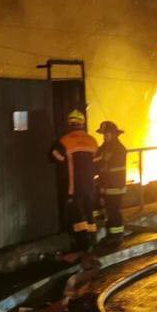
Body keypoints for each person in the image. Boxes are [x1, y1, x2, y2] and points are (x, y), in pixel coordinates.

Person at [50, 109, 99, 260]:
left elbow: (54, 156)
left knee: (78, 217)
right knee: (89, 214)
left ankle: (82, 246)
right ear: (82, 123)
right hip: (90, 185)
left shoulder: (64, 141)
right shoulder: (92, 140)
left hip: (74, 187)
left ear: (69, 123)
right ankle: (92, 242)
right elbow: (98, 160)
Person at [95, 121, 127, 243]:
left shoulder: (118, 149)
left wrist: (104, 184)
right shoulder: (104, 147)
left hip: (115, 186)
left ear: (114, 134)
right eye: (103, 134)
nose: (104, 136)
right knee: (109, 211)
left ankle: (117, 237)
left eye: (107, 133)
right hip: (107, 186)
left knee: (114, 211)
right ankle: (111, 235)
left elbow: (109, 169)